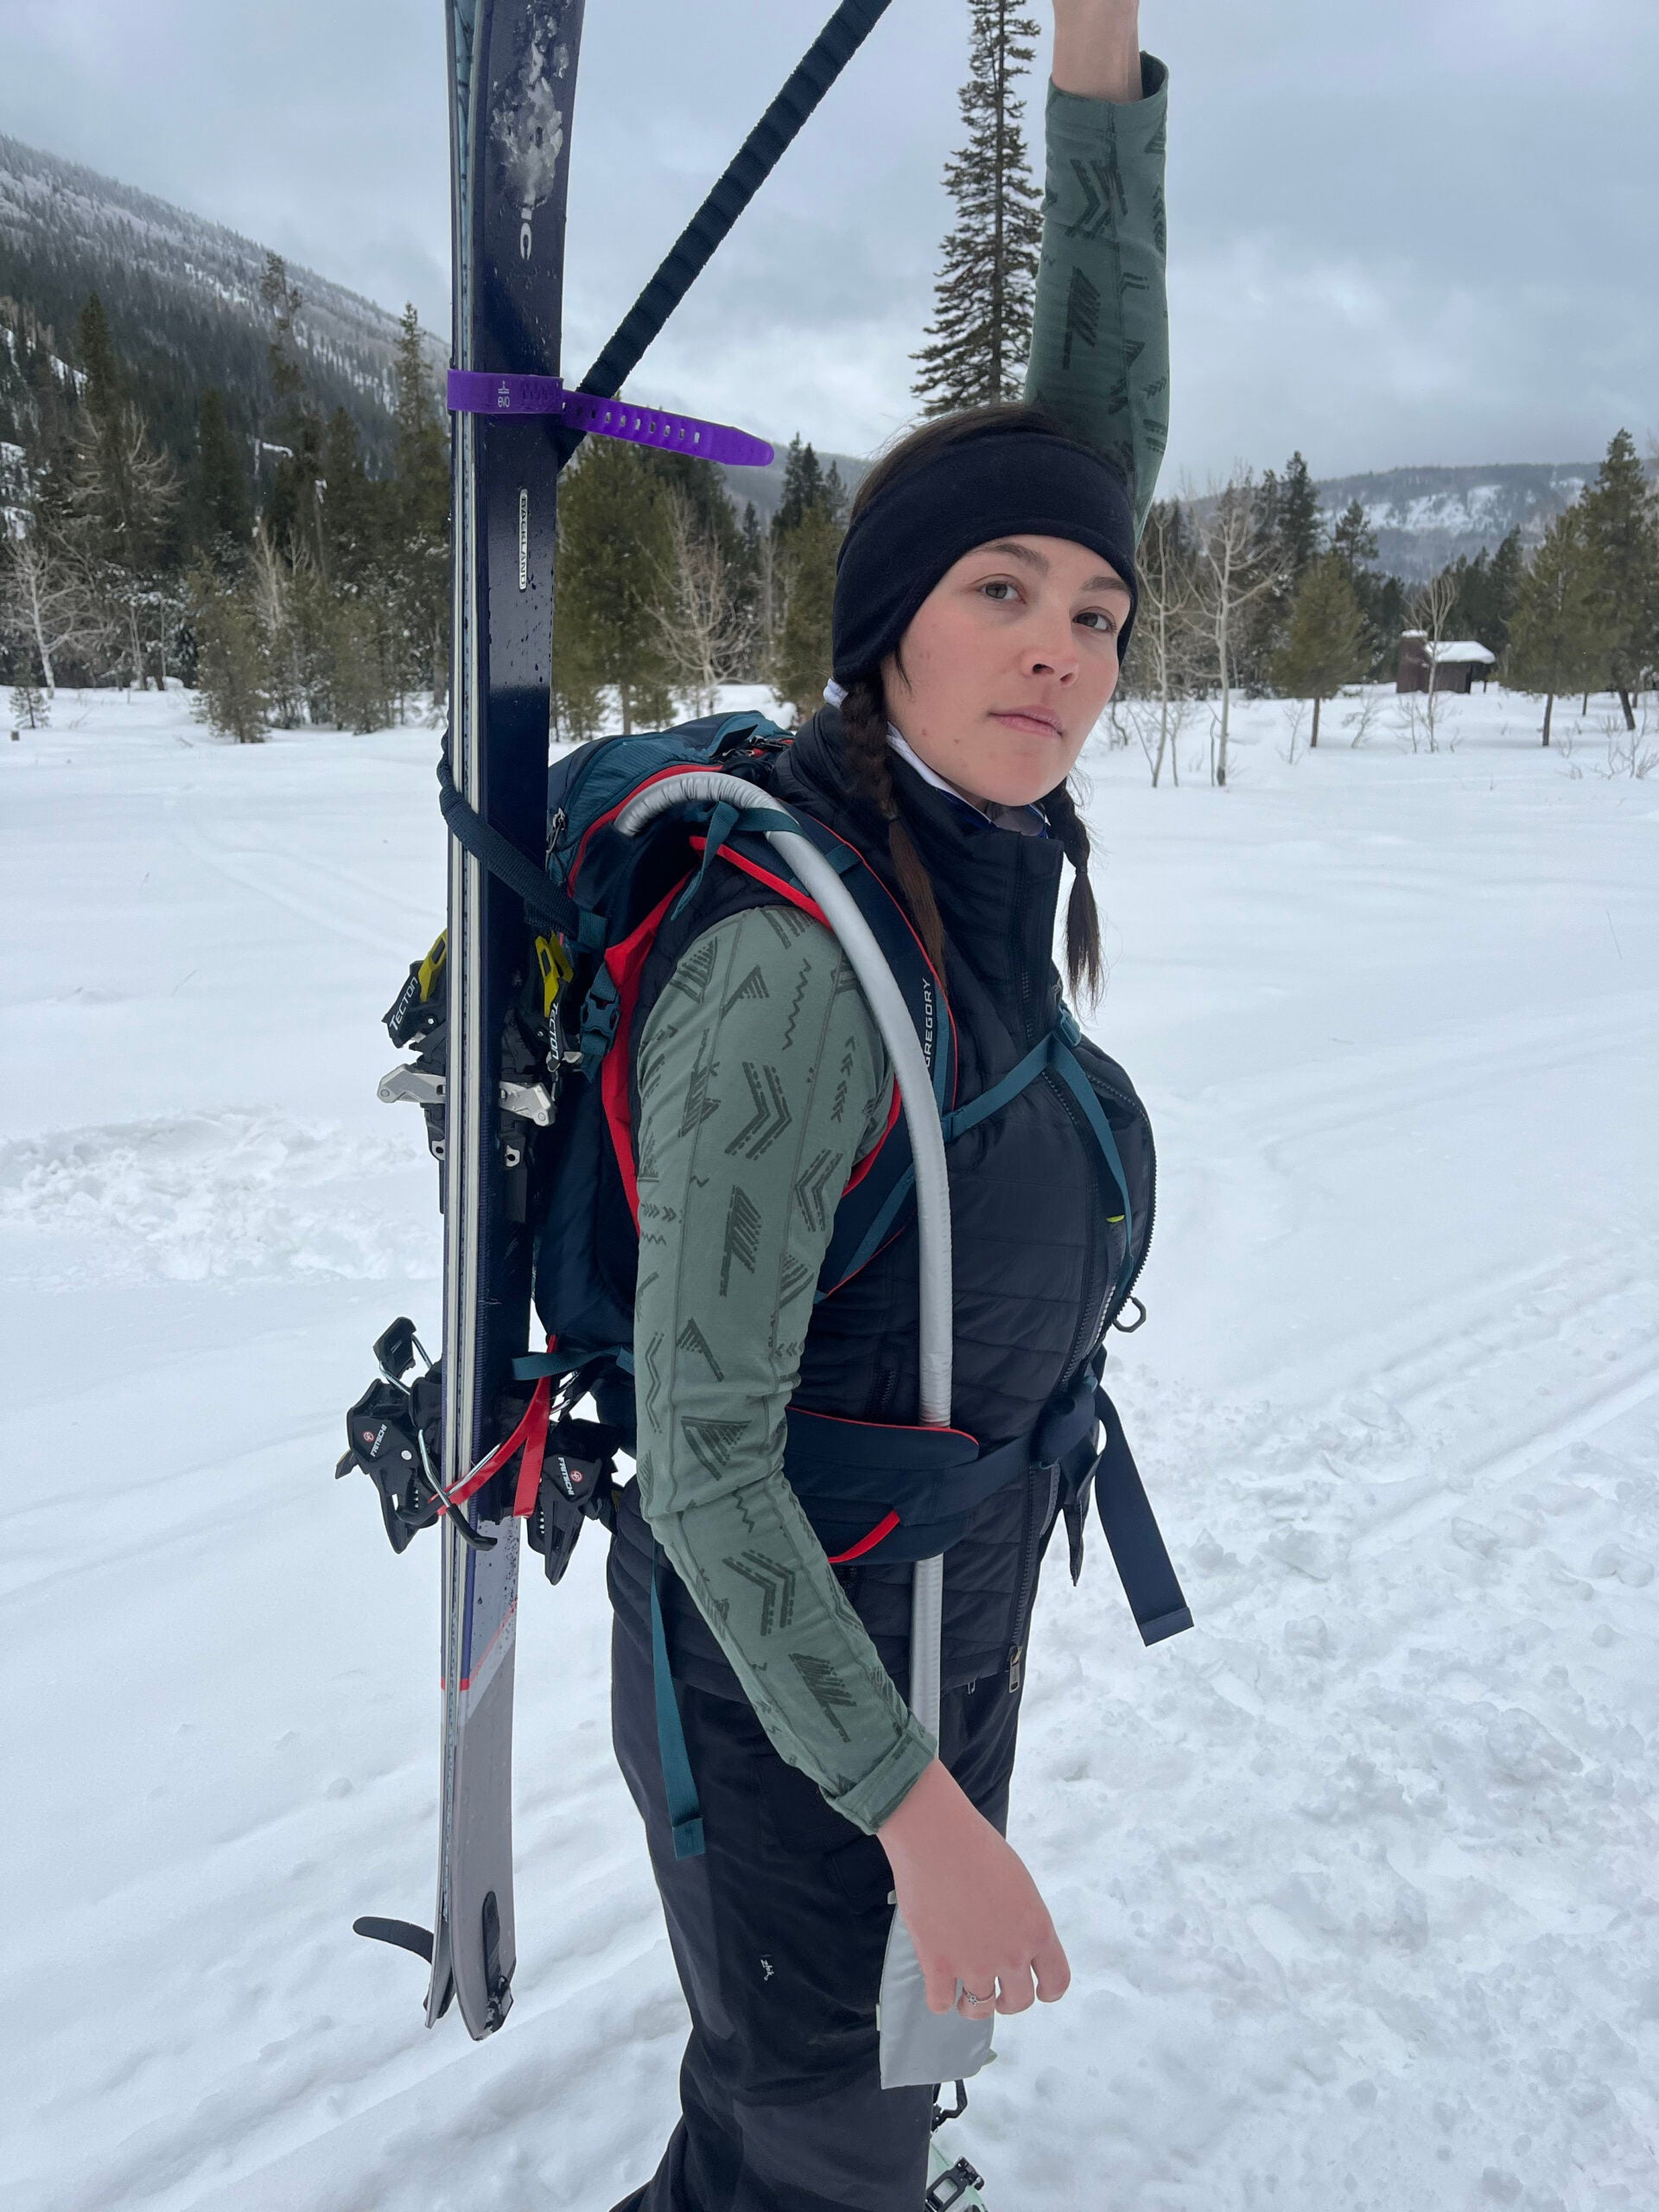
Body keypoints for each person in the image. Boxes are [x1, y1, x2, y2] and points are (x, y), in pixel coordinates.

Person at [606, 5, 1170, 2203]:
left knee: (830, 2090)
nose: (1061, 646)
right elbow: (712, 1468)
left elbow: (1089, 420)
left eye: (1099, 610)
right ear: (890, 637)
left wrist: (1102, 56)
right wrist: (924, 1815)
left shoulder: (981, 860)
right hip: (797, 1694)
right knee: (807, 2119)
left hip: (941, 1608)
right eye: (1000, 595)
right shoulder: (795, 977)